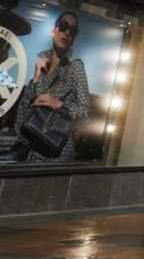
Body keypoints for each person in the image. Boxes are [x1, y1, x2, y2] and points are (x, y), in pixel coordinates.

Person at [14, 11, 90, 161]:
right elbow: (24, 111)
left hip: (56, 153)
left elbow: (85, 112)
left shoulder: (75, 67)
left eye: (73, 30)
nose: (67, 32)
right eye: (63, 26)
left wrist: (59, 104)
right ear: (53, 31)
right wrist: (36, 77)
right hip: (30, 151)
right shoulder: (41, 65)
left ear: (74, 38)